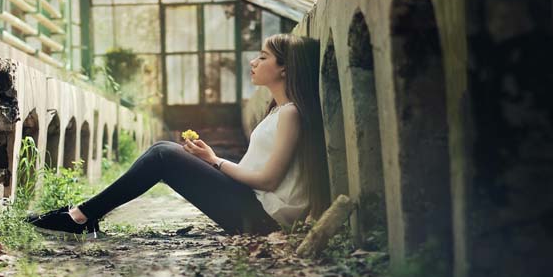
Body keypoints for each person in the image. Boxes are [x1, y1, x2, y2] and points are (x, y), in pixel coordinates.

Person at [28, 34, 330, 237]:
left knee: (163, 154)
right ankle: (82, 215)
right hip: (251, 207)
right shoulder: (278, 110)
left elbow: (268, 181)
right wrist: (209, 160)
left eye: (263, 58)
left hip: (263, 219)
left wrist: (214, 161)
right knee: (163, 150)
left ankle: (80, 217)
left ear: (284, 69)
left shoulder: (291, 112)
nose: (253, 62)